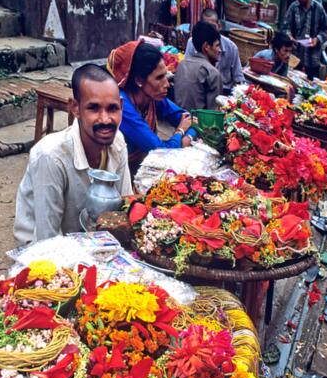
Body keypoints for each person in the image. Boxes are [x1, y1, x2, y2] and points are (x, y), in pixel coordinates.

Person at [13, 64, 131, 245]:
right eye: (94, 108)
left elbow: (124, 211)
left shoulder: (117, 142)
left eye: (112, 108)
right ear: (75, 108)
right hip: (44, 254)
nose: (106, 119)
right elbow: (48, 240)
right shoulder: (50, 157)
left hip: (93, 246)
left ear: (121, 107)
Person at [107, 40, 196, 176]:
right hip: (116, 175)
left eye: (166, 76)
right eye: (159, 78)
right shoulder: (121, 106)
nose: (167, 84)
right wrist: (180, 132)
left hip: (137, 168)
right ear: (139, 80)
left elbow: (190, 119)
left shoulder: (152, 97)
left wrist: (186, 138)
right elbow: (160, 152)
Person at [184, 7, 245, 92]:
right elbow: (187, 70)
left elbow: (238, 79)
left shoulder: (231, 47)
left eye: (212, 27)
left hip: (225, 92)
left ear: (219, 26)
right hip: (199, 89)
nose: (209, 31)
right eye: (206, 27)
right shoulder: (192, 42)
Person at [283, 0, 327, 79]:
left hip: (313, 60)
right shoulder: (293, 7)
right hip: (295, 57)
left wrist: (317, 39)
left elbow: (325, 30)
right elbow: (285, 27)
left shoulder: (319, 9)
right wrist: (289, 36)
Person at [173, 20, 223, 112]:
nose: (220, 50)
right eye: (217, 46)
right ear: (206, 46)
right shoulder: (212, 73)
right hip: (200, 124)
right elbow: (214, 114)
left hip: (180, 122)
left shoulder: (182, 65)